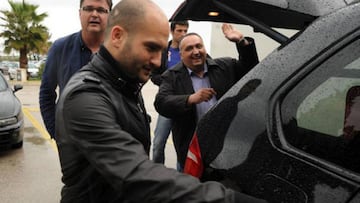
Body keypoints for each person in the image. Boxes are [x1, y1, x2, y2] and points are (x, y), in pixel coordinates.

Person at [55, 0, 267, 202]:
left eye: (161, 51)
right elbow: (138, 176)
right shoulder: (85, 95)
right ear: (118, 36)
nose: (158, 62)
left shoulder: (124, 82)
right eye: (150, 48)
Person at [154, 24, 259, 172]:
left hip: (225, 146)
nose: (196, 52)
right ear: (181, 55)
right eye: (189, 49)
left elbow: (251, 70)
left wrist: (241, 41)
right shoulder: (171, 76)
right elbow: (161, 103)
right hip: (192, 150)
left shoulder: (225, 66)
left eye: (199, 46)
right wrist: (190, 99)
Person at [39, 0, 112, 139]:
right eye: (89, 9)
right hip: (71, 142)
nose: (95, 14)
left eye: (101, 10)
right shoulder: (60, 48)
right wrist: (56, 134)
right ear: (80, 13)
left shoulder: (119, 51)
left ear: (110, 16)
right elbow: (46, 94)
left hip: (110, 141)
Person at [151, 20, 189, 165]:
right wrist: (167, 83)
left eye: (185, 31)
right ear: (172, 31)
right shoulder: (163, 51)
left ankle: (181, 182)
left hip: (186, 103)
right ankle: (157, 177)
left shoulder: (190, 49)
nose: (183, 34)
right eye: (180, 31)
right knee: (158, 144)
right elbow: (153, 75)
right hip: (167, 102)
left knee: (183, 148)